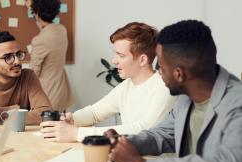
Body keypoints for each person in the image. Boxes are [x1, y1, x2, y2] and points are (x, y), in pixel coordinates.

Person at [106, 20, 242, 162]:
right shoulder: (187, 96)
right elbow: (164, 135)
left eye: (161, 68)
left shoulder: (237, 104)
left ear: (179, 74)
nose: (159, 73)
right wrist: (125, 143)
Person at [40, 22, 176, 142]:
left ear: (142, 60)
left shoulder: (164, 87)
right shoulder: (127, 86)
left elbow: (143, 130)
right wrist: (72, 119)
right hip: (127, 159)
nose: (114, 61)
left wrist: (78, 133)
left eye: (121, 55)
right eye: (115, 54)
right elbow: (95, 113)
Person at [25, 0, 73, 111]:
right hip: (61, 92)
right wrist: (33, 8)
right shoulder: (61, 30)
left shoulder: (39, 40)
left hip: (47, 94)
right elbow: (45, 28)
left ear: (37, 14)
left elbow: (33, 72)